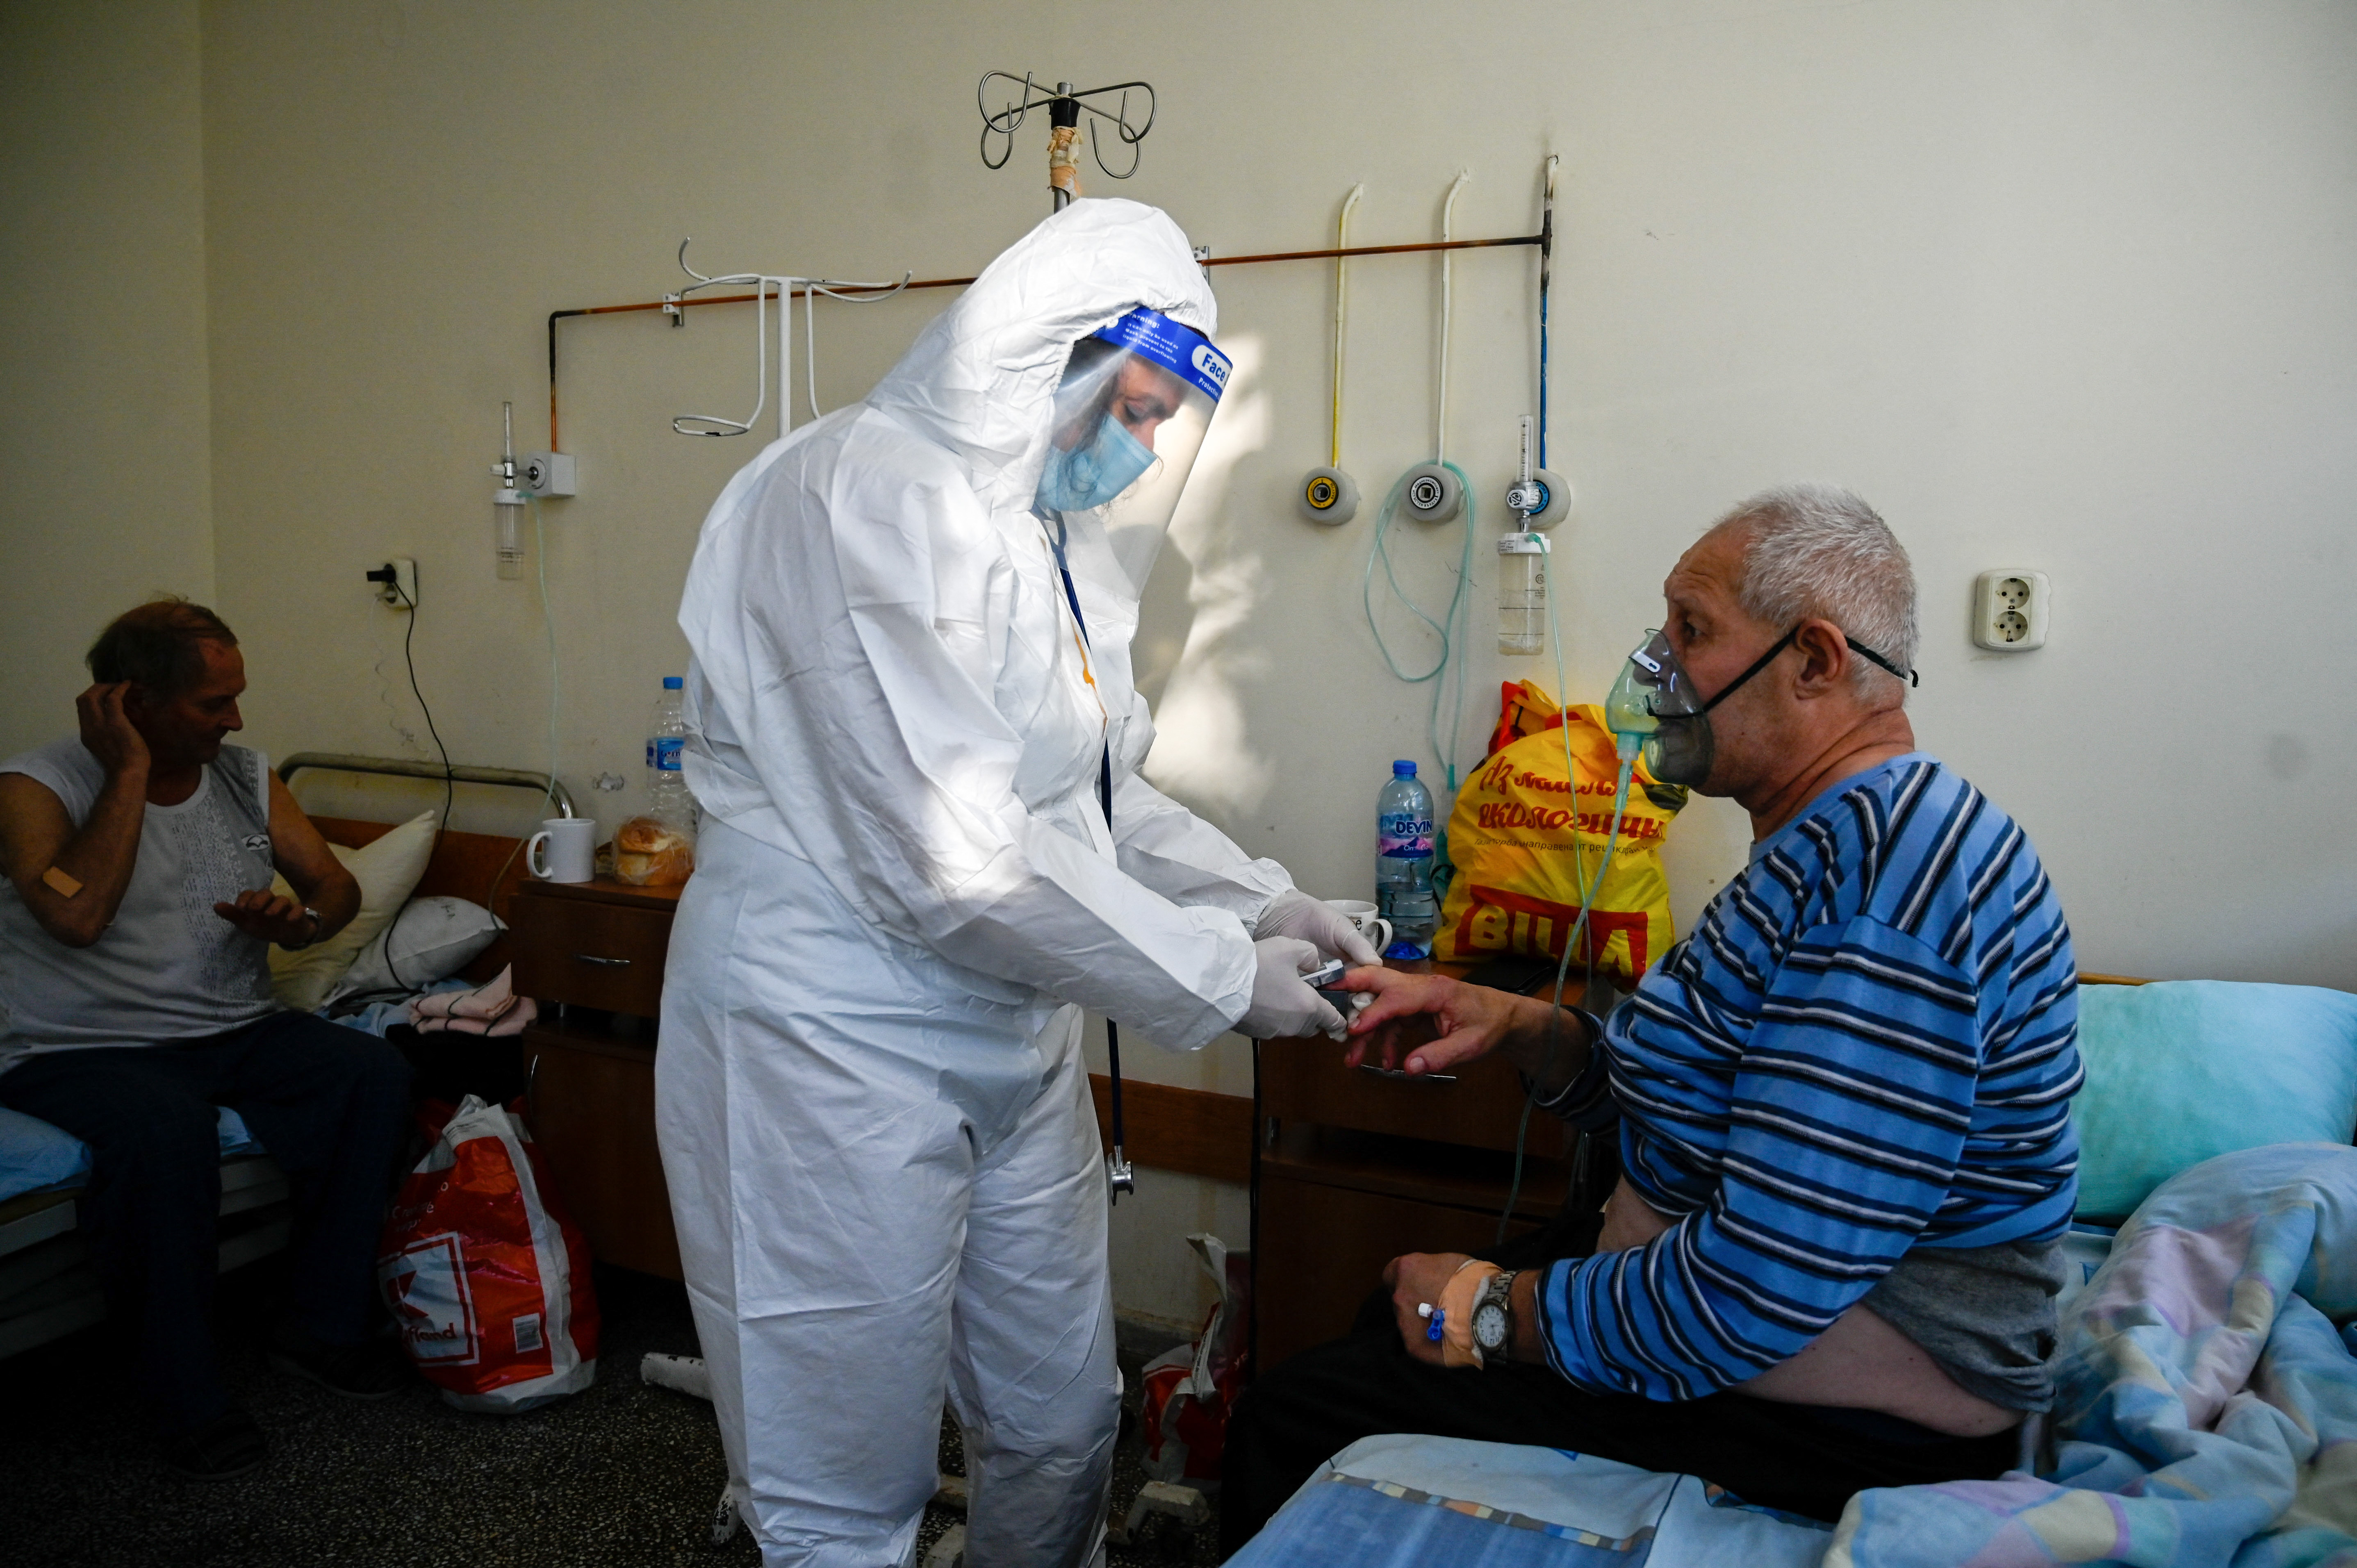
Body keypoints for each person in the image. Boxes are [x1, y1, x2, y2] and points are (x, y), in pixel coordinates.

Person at [661, 199, 1374, 1568]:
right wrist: (1227, 979)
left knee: (1061, 1414)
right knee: (839, 1475)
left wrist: (1260, 902)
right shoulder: (863, 496)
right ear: (1048, 358)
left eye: (1167, 417)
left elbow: (1086, 796)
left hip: (1008, 1022)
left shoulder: (1052, 540)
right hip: (831, 1033)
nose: (1146, 443)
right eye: (1139, 402)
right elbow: (959, 855)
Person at [1220, 485, 2083, 1548]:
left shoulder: (1886, 891)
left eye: (1690, 629)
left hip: (1857, 1403)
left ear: (1814, 661)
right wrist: (1523, 1025)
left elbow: (1757, 1287)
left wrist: (1493, 1314)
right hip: (1756, 1319)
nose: (1649, 664)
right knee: (1381, 1313)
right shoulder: (1825, 844)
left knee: (1292, 1417)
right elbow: (1700, 1098)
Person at [0, 599, 414, 1481]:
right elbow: (75, 914)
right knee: (164, 1129)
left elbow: (333, 885)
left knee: (369, 1071)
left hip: (233, 1028)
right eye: (211, 704)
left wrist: (299, 924)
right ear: (129, 702)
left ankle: (321, 1323)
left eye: (236, 697)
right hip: (76, 1048)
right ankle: (182, 1394)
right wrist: (127, 773)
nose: (236, 720)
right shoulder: (34, 787)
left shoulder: (243, 774)